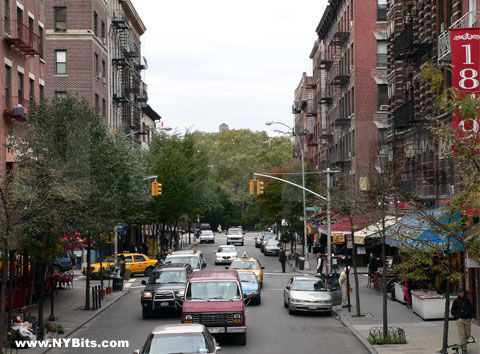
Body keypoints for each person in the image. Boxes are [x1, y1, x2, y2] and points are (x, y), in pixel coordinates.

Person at [451, 288, 474, 353]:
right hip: (460, 319)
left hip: (467, 319)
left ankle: (462, 343)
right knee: (462, 335)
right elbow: (453, 310)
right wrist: (457, 316)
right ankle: (464, 349)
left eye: (462, 292)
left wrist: (470, 317)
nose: (462, 293)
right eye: (460, 292)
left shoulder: (467, 300)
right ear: (458, 293)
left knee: (468, 334)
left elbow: (471, 309)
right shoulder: (456, 301)